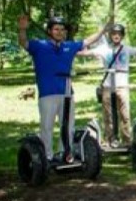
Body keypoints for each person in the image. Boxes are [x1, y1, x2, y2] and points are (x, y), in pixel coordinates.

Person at [17, 14, 108, 162]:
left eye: (62, 29)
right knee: (47, 126)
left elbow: (87, 41)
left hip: (67, 92)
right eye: (56, 29)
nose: (59, 32)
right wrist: (22, 29)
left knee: (68, 126)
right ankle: (47, 157)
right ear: (49, 31)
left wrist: (102, 31)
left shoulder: (69, 46)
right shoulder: (40, 46)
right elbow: (23, 42)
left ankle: (64, 153)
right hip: (47, 93)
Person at [87, 23, 136, 148]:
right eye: (114, 34)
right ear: (110, 35)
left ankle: (126, 139)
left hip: (122, 86)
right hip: (107, 85)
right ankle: (110, 138)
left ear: (122, 36)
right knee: (108, 114)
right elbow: (86, 52)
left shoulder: (127, 49)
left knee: (124, 113)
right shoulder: (104, 48)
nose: (116, 36)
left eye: (119, 34)